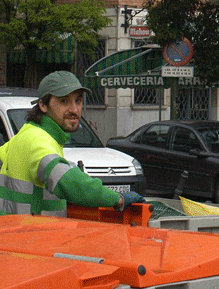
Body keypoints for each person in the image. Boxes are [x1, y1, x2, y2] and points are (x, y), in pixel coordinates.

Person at [0, 71, 144, 216]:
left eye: (78, 101)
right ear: (43, 106)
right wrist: (118, 199)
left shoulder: (26, 133)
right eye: (64, 101)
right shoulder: (38, 140)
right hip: (33, 233)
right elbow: (68, 182)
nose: (74, 110)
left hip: (17, 233)